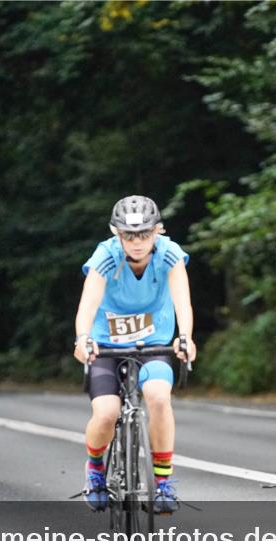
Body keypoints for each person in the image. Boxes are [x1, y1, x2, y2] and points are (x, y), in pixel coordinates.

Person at [73, 195, 196, 514]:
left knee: (157, 396)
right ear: (117, 234)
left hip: (153, 344)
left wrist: (185, 337)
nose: (137, 242)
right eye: (129, 235)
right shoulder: (106, 256)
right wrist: (83, 337)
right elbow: (88, 303)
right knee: (106, 412)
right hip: (107, 346)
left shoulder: (169, 254)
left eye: (144, 234)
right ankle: (96, 469)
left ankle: (163, 483)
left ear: (157, 231)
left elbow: (183, 300)